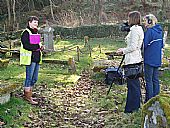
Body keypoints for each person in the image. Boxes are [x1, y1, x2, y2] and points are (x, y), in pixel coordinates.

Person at [116, 11, 144, 113]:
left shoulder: (135, 30)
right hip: (133, 59)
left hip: (133, 60)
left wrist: (122, 50)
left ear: (132, 19)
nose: (127, 20)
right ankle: (132, 108)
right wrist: (123, 49)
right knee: (132, 85)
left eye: (129, 18)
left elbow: (133, 47)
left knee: (133, 86)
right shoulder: (136, 29)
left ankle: (133, 109)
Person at [20, 16, 44, 104]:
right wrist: (37, 47)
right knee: (29, 78)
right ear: (29, 23)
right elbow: (26, 45)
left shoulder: (35, 32)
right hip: (30, 59)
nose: (36, 24)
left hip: (37, 58)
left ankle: (29, 93)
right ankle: (28, 96)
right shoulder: (26, 33)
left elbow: (37, 44)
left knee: (34, 79)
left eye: (37, 23)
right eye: (34, 22)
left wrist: (40, 46)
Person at [143, 14, 163, 103]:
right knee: (155, 79)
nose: (144, 23)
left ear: (150, 21)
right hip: (157, 59)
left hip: (149, 59)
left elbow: (143, 45)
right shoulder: (159, 31)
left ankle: (149, 101)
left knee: (149, 80)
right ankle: (156, 99)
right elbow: (161, 45)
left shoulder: (149, 32)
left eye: (145, 21)